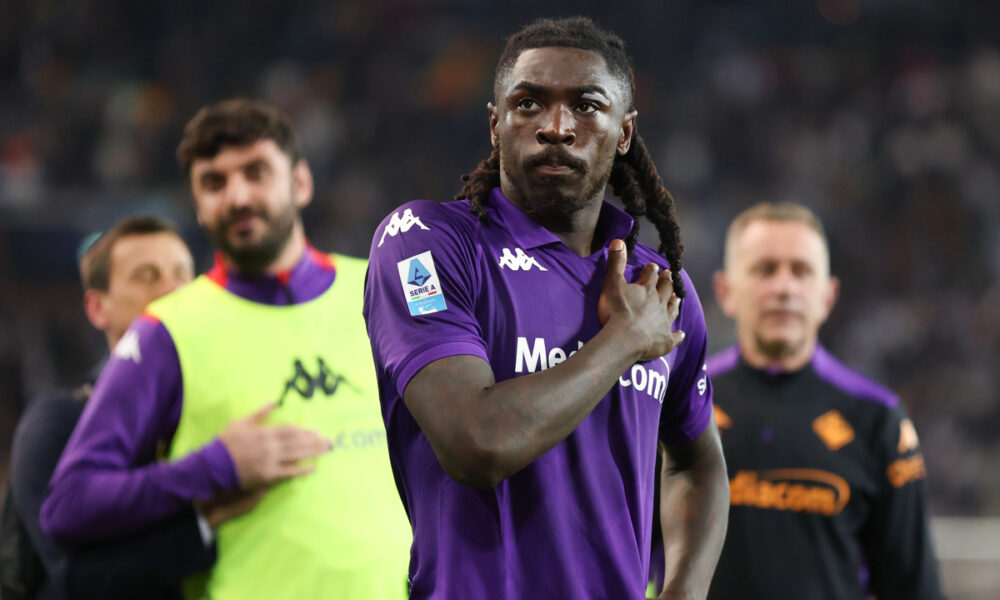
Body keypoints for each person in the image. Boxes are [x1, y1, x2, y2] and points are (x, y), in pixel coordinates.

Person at [363, 16, 728, 600]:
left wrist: (682, 591)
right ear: (495, 123)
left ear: (625, 132)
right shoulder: (427, 242)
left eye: (586, 106)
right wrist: (621, 342)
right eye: (528, 103)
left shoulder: (660, 287)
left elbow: (697, 463)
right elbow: (476, 443)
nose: (556, 127)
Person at [41, 99, 411, 599]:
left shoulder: (377, 288)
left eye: (256, 172)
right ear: (197, 205)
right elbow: (68, 504)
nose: (237, 195)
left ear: (300, 182)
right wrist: (212, 467)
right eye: (214, 182)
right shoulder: (165, 331)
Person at [706, 202, 943, 599]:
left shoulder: (877, 419)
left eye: (801, 271)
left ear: (828, 296)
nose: (784, 288)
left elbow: (914, 587)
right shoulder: (677, 405)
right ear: (725, 292)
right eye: (765, 269)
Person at [5, 215, 222, 599]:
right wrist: (206, 525)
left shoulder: (222, 410)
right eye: (146, 276)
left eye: (183, 273)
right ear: (96, 307)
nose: (173, 288)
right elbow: (74, 579)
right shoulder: (58, 422)